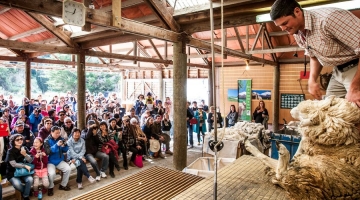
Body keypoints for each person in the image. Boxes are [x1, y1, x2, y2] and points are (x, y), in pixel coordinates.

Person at [270, 0, 360, 105]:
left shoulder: (328, 19)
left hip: (355, 66)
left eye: (285, 23)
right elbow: (314, 55)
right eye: (280, 26)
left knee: (355, 107)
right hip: (338, 71)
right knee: (329, 110)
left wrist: (355, 87)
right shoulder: (297, 32)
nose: (283, 29)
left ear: (297, 11)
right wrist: (312, 79)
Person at [44, 126, 71, 196]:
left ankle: (63, 185)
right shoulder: (46, 141)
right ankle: (50, 187)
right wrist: (56, 145)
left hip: (59, 160)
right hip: (50, 161)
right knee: (52, 174)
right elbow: (47, 152)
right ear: (51, 132)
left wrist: (65, 146)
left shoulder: (61, 139)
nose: (58, 134)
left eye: (59, 133)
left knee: (68, 169)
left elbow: (65, 150)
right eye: (56, 133)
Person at [5, 134, 34, 200]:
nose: (20, 141)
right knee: (17, 185)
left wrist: (25, 154)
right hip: (13, 172)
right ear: (13, 141)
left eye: (21, 139)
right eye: (17, 139)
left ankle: (25, 196)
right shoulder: (10, 151)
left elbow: (30, 160)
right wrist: (24, 166)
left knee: (30, 180)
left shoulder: (25, 148)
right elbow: (13, 164)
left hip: (24, 171)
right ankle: (27, 191)